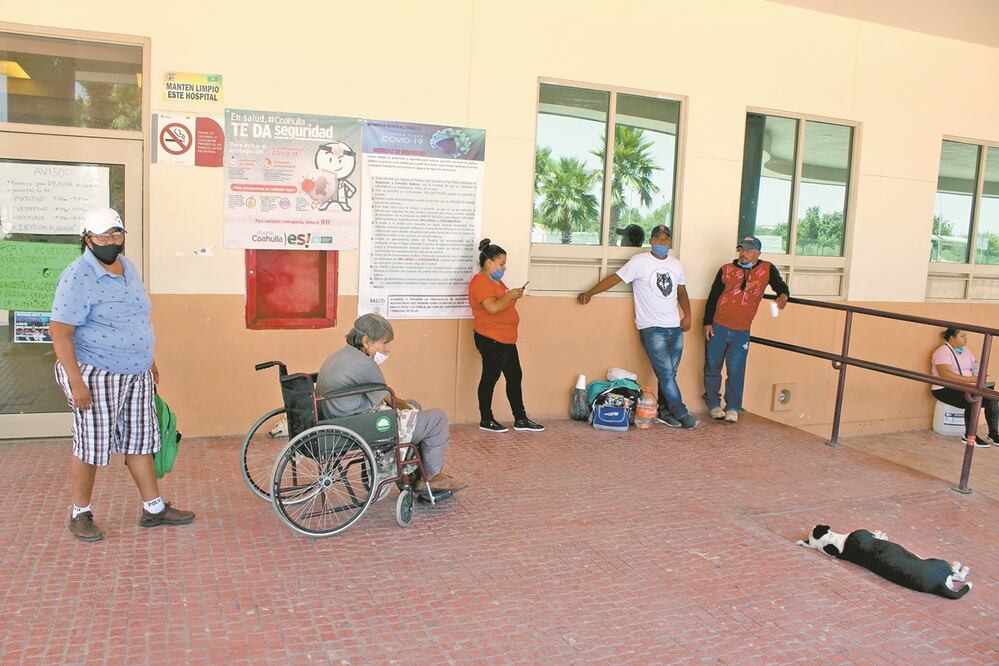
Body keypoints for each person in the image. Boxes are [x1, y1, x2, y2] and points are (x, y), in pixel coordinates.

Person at [50, 207, 194, 542]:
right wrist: (75, 381)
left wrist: (149, 358)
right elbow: (60, 332)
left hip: (137, 371)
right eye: (103, 236)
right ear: (88, 239)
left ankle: (154, 508)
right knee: (91, 446)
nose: (111, 241)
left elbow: (135, 319)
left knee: (141, 440)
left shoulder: (127, 267)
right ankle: (80, 513)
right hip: (96, 373)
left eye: (117, 234)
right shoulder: (78, 276)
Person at [317, 313, 466, 491]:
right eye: (384, 343)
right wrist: (410, 410)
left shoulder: (341, 355)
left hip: (339, 417)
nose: (387, 349)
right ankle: (430, 478)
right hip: (357, 426)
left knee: (413, 406)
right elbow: (388, 398)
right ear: (365, 341)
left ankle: (410, 470)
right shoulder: (364, 363)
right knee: (437, 418)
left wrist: (410, 408)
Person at [577, 224, 697, 429]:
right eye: (658, 238)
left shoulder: (676, 264)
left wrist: (687, 315)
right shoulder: (639, 261)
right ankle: (681, 412)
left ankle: (665, 412)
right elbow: (615, 278)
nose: (662, 242)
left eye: (665, 239)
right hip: (652, 327)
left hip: (674, 327)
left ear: (670, 242)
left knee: (669, 374)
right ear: (651, 241)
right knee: (667, 374)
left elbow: (682, 291)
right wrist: (590, 292)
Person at [702, 235, 790, 423]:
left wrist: (784, 293)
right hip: (718, 325)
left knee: (736, 369)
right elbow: (713, 295)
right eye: (741, 249)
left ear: (758, 253)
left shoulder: (767, 269)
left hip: (741, 330)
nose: (743, 254)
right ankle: (713, 404)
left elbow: (779, 284)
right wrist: (707, 322)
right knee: (712, 366)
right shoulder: (726, 269)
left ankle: (732, 406)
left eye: (748, 251)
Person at [468, 239, 545, 433]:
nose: (504, 267)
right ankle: (486, 419)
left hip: (507, 339)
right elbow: (492, 307)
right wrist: (510, 296)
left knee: (515, 376)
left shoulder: (496, 281)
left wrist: (512, 296)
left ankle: (520, 418)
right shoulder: (480, 282)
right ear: (489, 263)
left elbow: (502, 304)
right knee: (490, 378)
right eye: (501, 263)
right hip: (491, 338)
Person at [930, 327, 999, 448]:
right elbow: (944, 373)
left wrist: (980, 377)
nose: (966, 339)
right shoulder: (942, 351)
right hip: (945, 389)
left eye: (966, 336)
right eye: (962, 336)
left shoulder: (966, 351)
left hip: (967, 387)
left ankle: (993, 434)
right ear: (952, 338)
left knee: (991, 397)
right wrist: (971, 380)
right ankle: (969, 435)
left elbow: (975, 367)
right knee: (971, 400)